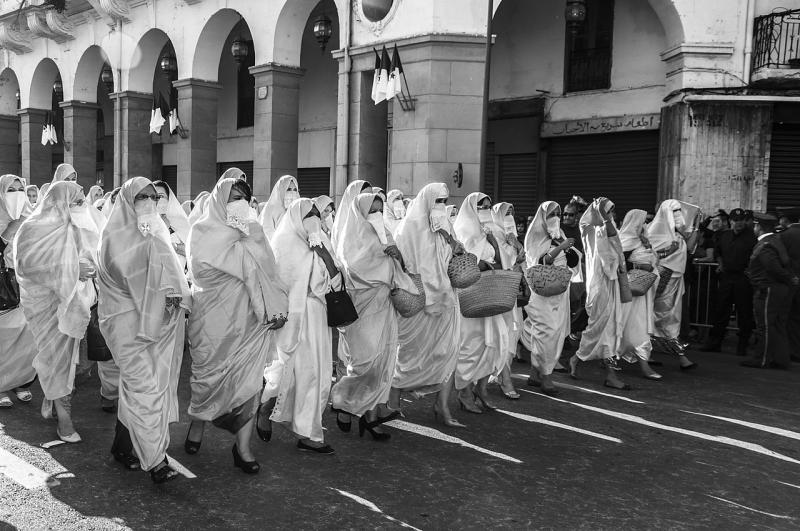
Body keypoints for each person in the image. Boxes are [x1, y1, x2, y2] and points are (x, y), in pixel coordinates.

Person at [184, 176, 288, 472]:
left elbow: (270, 270)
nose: (238, 202)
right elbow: (201, 270)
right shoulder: (202, 230)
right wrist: (240, 254)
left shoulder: (253, 231)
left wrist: (248, 237)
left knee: (248, 383)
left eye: (243, 197)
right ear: (218, 200)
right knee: (207, 379)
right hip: (213, 322)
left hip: (249, 323)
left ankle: (242, 448)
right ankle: (198, 423)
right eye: (232, 197)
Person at [96, 177, 190, 483]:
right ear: (127, 201)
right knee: (145, 388)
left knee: (143, 389)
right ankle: (156, 461)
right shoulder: (114, 237)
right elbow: (133, 279)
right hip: (127, 324)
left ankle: (122, 445)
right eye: (142, 197)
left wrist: (175, 297)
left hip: (157, 322)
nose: (149, 202)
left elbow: (172, 276)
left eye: (154, 196)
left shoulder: (154, 233)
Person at [14, 181, 98, 442]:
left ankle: (54, 402)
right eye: (76, 199)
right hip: (43, 305)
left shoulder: (76, 226)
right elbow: (26, 266)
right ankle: (65, 421)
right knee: (56, 361)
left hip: (72, 303)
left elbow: (90, 255)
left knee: (68, 363)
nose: (81, 204)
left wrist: (85, 267)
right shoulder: (32, 228)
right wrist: (74, 269)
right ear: (60, 200)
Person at [330, 192, 412, 440]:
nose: (376, 215)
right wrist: (380, 256)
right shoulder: (350, 238)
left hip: (385, 306)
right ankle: (343, 402)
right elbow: (354, 269)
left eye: (379, 210)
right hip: (361, 310)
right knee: (366, 364)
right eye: (371, 211)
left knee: (384, 362)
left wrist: (398, 257)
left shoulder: (385, 233)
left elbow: (401, 271)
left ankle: (372, 417)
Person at [389, 183, 465, 428]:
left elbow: (459, 257)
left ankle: (442, 406)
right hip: (419, 302)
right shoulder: (407, 229)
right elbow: (403, 267)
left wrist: (447, 237)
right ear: (426, 201)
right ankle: (393, 403)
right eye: (438, 201)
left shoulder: (447, 227)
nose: (442, 206)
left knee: (448, 353)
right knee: (409, 355)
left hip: (446, 302)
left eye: (445, 201)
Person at [268, 198, 340, 454]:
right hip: (296, 319)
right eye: (307, 214)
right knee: (302, 374)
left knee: (319, 376)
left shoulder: (322, 241)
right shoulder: (284, 243)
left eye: (315, 213)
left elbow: (337, 279)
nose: (312, 218)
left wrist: (322, 253)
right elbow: (279, 284)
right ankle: (306, 432)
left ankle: (291, 420)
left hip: (319, 317)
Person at [452, 193, 507, 412]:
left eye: (488, 206)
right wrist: (486, 264)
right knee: (471, 345)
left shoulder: (490, 233)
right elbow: (465, 266)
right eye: (481, 206)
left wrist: (493, 242)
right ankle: (464, 391)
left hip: (491, 294)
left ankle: (482, 389)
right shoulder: (463, 231)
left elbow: (501, 265)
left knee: (494, 344)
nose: (485, 209)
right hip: (471, 297)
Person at [569, 198, 630, 390]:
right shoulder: (594, 231)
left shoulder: (606, 228)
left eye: (612, 211)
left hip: (612, 284)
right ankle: (581, 360)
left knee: (610, 329)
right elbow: (610, 248)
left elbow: (616, 247)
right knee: (599, 328)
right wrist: (603, 217)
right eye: (608, 211)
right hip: (600, 286)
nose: (611, 215)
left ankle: (596, 367)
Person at [523, 201, 579, 394]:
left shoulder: (559, 234)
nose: (556, 216)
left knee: (554, 333)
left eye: (558, 212)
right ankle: (546, 376)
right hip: (542, 291)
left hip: (560, 290)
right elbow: (539, 262)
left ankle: (534, 374)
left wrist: (567, 248)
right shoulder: (535, 235)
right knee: (545, 332)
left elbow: (570, 259)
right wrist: (560, 247)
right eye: (551, 214)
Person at [740, 213, 797, 370]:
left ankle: (762, 359)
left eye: (755, 225)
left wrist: (790, 278)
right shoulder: (775, 240)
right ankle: (781, 359)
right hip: (777, 288)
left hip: (768, 288)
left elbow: (772, 267)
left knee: (764, 325)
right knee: (778, 325)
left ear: (759, 227)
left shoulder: (765, 244)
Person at [0, 175, 38, 409]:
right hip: (4, 287)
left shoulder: (32, 215)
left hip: (28, 285)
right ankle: (2, 386)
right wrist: (9, 230)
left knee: (26, 337)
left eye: (20, 189)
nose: (16, 194)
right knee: (4, 338)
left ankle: (20, 382)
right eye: (10, 190)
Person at [648, 200, 698, 370]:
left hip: (676, 281)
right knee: (656, 317)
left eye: (679, 210)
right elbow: (651, 256)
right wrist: (669, 250)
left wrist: (696, 225)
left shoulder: (677, 235)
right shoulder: (655, 233)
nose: (678, 214)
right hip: (661, 280)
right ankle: (646, 354)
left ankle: (680, 357)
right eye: (674, 211)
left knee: (670, 318)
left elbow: (690, 249)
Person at [702, 208, 757, 355]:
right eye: (735, 220)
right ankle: (715, 343)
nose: (738, 223)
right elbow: (718, 252)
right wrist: (720, 264)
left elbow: (756, 256)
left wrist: (751, 269)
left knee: (744, 313)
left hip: (743, 279)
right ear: (730, 221)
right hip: (727, 277)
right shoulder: (725, 236)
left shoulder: (752, 237)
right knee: (721, 310)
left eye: (741, 220)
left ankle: (742, 346)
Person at [618, 209, 662, 380]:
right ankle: (643, 365)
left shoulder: (643, 241)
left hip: (643, 293)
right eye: (644, 221)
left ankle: (613, 357)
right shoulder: (625, 240)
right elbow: (619, 264)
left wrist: (648, 247)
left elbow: (653, 261)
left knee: (637, 326)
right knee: (630, 326)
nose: (645, 225)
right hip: (630, 292)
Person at [490, 201, 525, 399]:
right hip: (497, 290)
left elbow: (521, 259)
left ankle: (502, 372)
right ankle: (505, 377)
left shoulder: (510, 235)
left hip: (513, 291)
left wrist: (516, 244)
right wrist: (513, 249)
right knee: (503, 333)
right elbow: (501, 260)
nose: (510, 215)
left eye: (512, 211)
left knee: (515, 330)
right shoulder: (493, 232)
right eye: (506, 212)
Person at [152, 180, 190, 270]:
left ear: (169, 199)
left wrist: (175, 247)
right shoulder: (144, 224)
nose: (157, 200)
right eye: (154, 197)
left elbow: (193, 252)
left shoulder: (181, 223)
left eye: (161, 196)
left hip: (178, 275)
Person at [778, 207, 800, 363]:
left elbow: (781, 260)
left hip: (790, 281)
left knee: (787, 316)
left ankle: (791, 351)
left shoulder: (784, 236)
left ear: (785, 220)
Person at [257, 175, 299, 241]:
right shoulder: (270, 208)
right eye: (288, 189)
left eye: (295, 190)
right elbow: (267, 232)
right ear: (281, 189)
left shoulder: (298, 209)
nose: (292, 193)